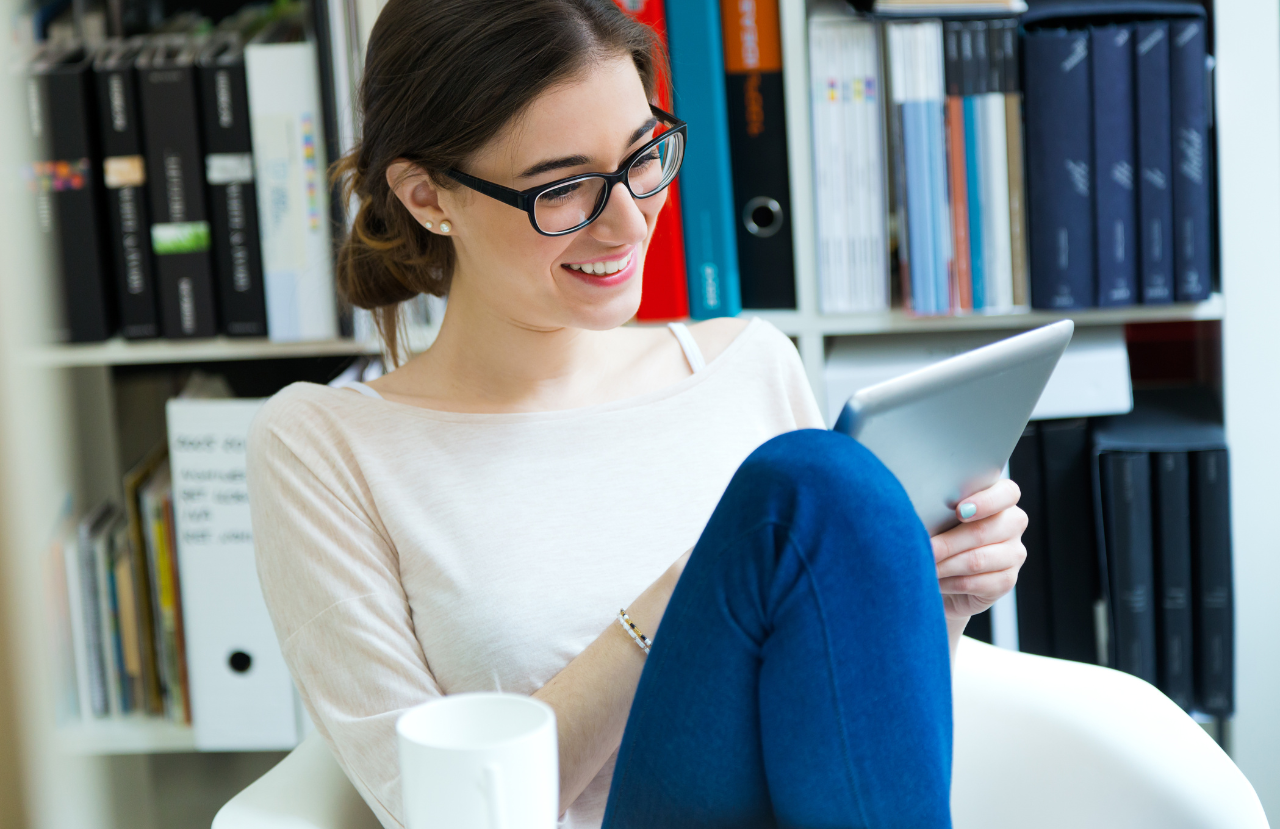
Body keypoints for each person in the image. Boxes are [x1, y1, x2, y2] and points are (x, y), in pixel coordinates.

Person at [245, 1, 1027, 827]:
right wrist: (687, 590)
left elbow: (846, 737)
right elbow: (429, 809)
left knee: (825, 487)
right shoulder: (325, 447)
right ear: (428, 195)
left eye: (642, 157)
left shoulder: (747, 365)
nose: (629, 220)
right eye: (565, 187)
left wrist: (938, 593)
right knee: (811, 483)